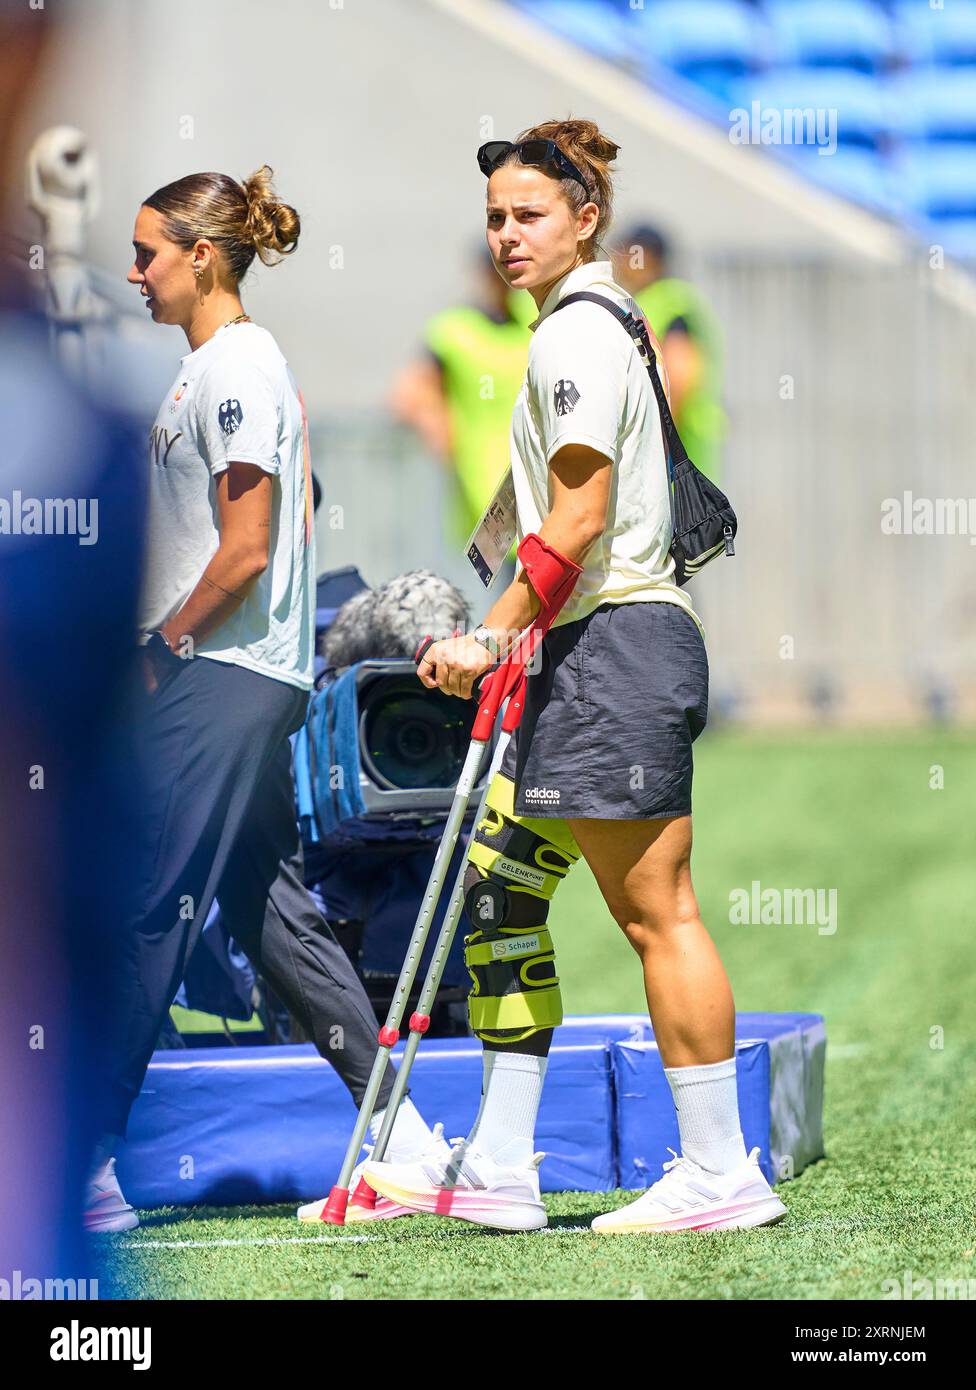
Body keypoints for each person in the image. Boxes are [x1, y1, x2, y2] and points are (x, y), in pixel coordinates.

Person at [363, 119, 786, 1234]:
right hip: (587, 648)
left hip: (615, 645)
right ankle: (502, 1165)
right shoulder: (574, 326)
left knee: (658, 914)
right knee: (499, 881)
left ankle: (719, 1171)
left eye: (528, 215)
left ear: (584, 219)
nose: (505, 235)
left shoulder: (574, 338)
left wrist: (489, 635)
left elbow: (578, 517)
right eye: (495, 217)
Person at [86, 165, 444, 1234]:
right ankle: (407, 1145)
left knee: (144, 898)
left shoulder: (239, 363)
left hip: (223, 676)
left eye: (148, 250)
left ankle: (82, 1165)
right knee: (271, 914)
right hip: (241, 678)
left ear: (202, 256)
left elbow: (244, 549)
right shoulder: (211, 369)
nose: (133, 270)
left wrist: (164, 647)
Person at [391, 247, 534, 581]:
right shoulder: (454, 330)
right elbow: (408, 392)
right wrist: (437, 423)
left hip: (533, 473)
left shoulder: (534, 323)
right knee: (502, 603)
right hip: (483, 484)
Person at [614, 223, 726, 485]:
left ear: (650, 258)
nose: (622, 262)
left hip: (676, 468)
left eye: (631, 254)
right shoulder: (643, 300)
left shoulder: (671, 301)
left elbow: (680, 375)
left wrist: (656, 450)